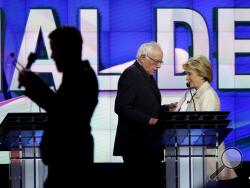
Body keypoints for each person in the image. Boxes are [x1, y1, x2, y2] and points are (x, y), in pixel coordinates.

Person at [18, 26, 98, 188]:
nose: (53, 56)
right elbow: (61, 107)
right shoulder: (79, 75)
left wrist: (34, 85)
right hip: (67, 160)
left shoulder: (80, 77)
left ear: (68, 50)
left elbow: (64, 112)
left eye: (55, 50)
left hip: (70, 160)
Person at [113, 41, 176, 188]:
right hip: (136, 146)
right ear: (142, 57)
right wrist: (148, 120)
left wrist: (166, 108)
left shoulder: (145, 75)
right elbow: (122, 107)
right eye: (156, 62)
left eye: (161, 62)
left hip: (148, 144)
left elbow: (145, 107)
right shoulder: (131, 74)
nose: (159, 66)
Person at [179, 55, 237, 185]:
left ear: (201, 74)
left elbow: (204, 129)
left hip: (208, 160)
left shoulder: (208, 95)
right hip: (199, 159)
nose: (187, 78)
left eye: (189, 74)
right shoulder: (196, 94)